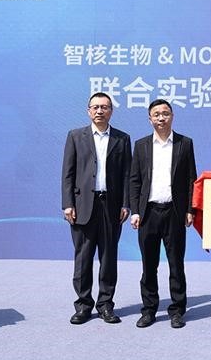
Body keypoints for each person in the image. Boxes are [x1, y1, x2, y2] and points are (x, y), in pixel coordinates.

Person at [61, 92, 131, 325]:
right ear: (88, 111)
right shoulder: (75, 136)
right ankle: (83, 306)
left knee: (108, 258)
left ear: (111, 111)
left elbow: (127, 174)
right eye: (96, 107)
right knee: (83, 259)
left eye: (105, 107)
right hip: (82, 206)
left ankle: (105, 305)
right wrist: (68, 204)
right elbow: (68, 173)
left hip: (111, 206)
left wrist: (126, 203)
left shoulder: (122, 139)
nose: (100, 111)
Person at [129, 99, 197, 329]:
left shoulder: (184, 143)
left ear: (172, 116)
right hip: (148, 212)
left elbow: (191, 179)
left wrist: (190, 210)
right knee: (149, 265)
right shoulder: (141, 145)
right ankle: (149, 310)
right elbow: (135, 180)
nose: (161, 118)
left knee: (176, 264)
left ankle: (177, 310)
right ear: (150, 119)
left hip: (174, 212)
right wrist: (135, 211)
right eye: (156, 114)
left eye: (165, 113)